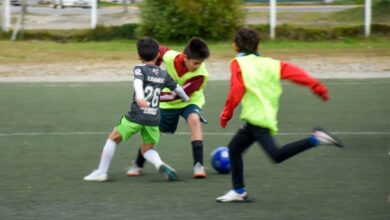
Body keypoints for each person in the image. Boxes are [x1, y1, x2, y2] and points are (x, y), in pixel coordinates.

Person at [216, 27, 343, 202]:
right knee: (234, 149)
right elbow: (295, 72)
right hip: (258, 118)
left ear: (235, 46)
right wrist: (316, 85)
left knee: (276, 155)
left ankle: (316, 139)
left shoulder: (237, 63)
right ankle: (239, 191)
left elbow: (237, 89)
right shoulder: (270, 63)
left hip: (258, 120)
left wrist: (226, 114)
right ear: (258, 45)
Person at [83, 37, 189, 182]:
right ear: (158, 55)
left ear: (138, 56)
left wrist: (140, 97)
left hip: (137, 115)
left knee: (113, 138)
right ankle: (160, 164)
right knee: (147, 149)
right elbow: (178, 89)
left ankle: (101, 172)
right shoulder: (164, 74)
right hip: (154, 118)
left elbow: (138, 82)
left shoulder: (139, 69)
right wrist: (185, 99)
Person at [126, 37, 210, 178]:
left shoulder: (201, 74)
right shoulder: (170, 56)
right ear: (185, 57)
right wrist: (153, 66)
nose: (198, 66)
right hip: (168, 103)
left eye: (200, 63)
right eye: (195, 63)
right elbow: (155, 50)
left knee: (194, 119)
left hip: (189, 100)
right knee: (152, 128)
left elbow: (176, 95)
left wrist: (155, 94)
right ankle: (138, 164)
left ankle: (198, 165)